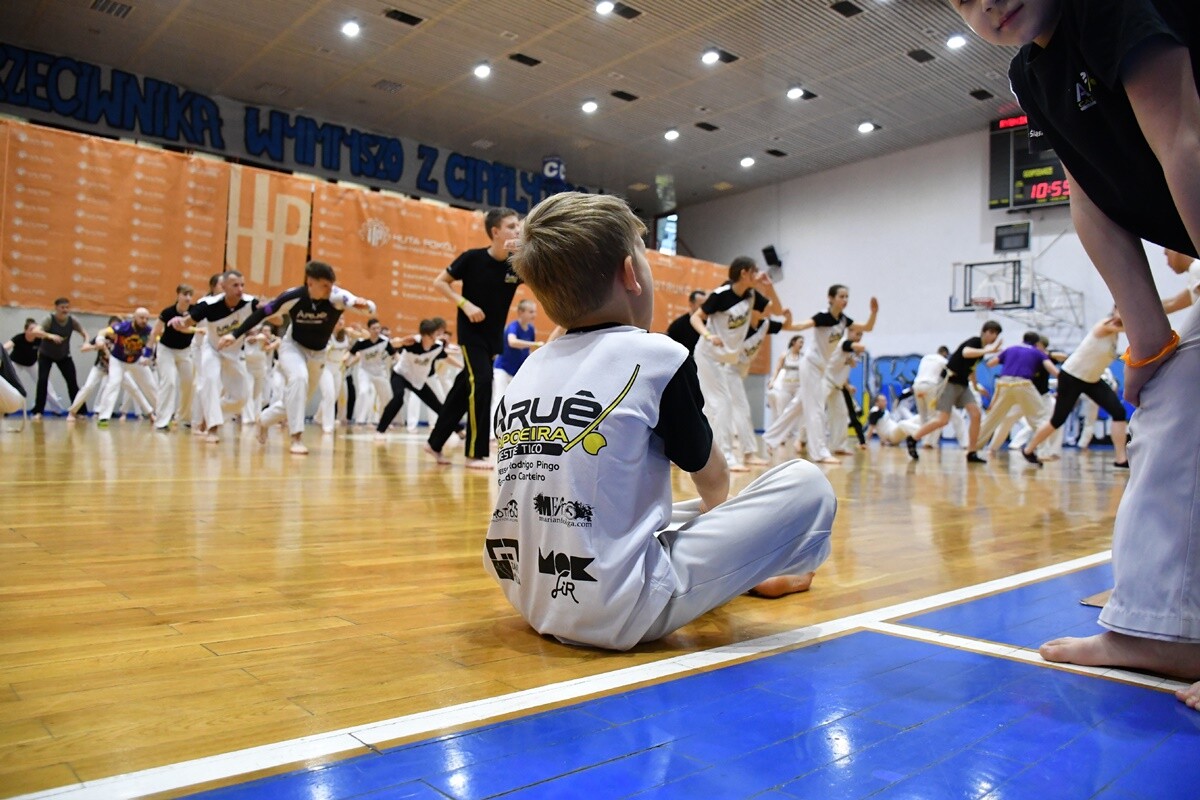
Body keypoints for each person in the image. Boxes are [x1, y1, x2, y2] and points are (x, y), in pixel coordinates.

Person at [951, 0, 1200, 699]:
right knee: (1174, 403)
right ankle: (1154, 629)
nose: (987, 4)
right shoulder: (1033, 72)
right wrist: (1148, 339)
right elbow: (1090, 197)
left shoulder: (1108, 8)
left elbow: (1183, 138)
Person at [484, 191, 836, 651]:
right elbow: (713, 481)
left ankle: (736, 562)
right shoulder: (657, 356)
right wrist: (736, 546)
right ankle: (761, 570)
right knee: (806, 485)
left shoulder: (529, 369)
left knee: (671, 513)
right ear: (631, 273)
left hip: (527, 591)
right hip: (622, 607)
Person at [226, 260, 375, 455]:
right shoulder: (293, 297)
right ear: (311, 282)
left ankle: (264, 420)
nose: (330, 289)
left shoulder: (337, 297)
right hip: (292, 347)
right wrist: (235, 334)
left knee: (297, 400)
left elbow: (365, 305)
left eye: (331, 285)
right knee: (299, 378)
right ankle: (296, 438)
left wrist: (365, 305)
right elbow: (263, 313)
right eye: (325, 286)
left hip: (319, 354)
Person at [426, 207, 523, 469]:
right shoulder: (472, 259)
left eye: (518, 226)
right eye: (512, 226)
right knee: (482, 382)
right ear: (495, 231)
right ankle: (475, 453)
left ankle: (434, 443)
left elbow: (542, 277)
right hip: (471, 335)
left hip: (492, 338)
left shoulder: (515, 265)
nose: (517, 230)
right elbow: (440, 282)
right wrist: (464, 304)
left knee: (462, 391)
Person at [761, 285, 878, 465]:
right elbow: (800, 325)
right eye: (841, 296)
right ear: (830, 298)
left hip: (820, 368)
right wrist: (788, 320)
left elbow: (867, 327)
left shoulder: (843, 320)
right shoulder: (823, 316)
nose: (845, 300)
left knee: (797, 406)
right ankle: (820, 452)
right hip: (810, 365)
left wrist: (873, 312)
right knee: (816, 409)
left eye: (847, 296)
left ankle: (770, 438)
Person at [690, 259, 780, 471]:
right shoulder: (721, 295)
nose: (758, 274)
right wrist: (709, 335)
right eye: (755, 271)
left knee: (726, 405)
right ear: (744, 273)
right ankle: (726, 457)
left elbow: (776, 310)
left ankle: (738, 453)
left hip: (724, 360)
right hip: (708, 354)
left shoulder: (751, 295)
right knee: (723, 403)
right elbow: (696, 317)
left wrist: (769, 287)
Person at [1021, 312, 1129, 467]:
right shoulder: (1103, 325)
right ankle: (1028, 450)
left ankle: (1121, 459)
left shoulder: (1114, 338)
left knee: (1119, 412)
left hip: (1092, 379)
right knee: (1057, 420)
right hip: (1071, 376)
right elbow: (1124, 325)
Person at [169, 270, 259, 444]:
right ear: (223, 287)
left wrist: (271, 309)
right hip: (212, 349)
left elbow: (275, 318)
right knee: (209, 382)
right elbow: (188, 322)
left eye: (242, 285)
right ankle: (212, 428)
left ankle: (210, 415)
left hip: (234, 354)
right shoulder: (208, 304)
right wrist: (179, 323)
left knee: (241, 398)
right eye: (235, 285)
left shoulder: (250, 302)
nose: (240, 289)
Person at [904, 321, 1003, 462]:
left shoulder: (980, 352)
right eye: (992, 332)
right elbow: (965, 353)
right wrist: (988, 351)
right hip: (949, 382)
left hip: (963, 385)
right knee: (942, 420)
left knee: (975, 414)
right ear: (984, 332)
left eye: (996, 334)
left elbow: (972, 369)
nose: (994, 337)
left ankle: (972, 451)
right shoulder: (975, 342)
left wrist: (975, 387)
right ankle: (913, 438)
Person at [971, 331, 1060, 462]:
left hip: (1003, 384)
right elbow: (1054, 371)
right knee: (1040, 418)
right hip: (1023, 384)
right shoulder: (1037, 353)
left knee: (993, 418)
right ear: (1036, 343)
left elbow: (990, 363)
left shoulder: (1010, 349)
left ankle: (973, 447)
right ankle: (1043, 452)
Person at [375, 318, 451, 440]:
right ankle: (380, 430)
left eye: (434, 336)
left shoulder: (437, 347)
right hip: (401, 375)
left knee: (436, 404)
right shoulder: (412, 343)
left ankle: (457, 429)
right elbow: (392, 344)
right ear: (423, 335)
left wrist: (463, 366)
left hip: (417, 380)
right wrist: (401, 341)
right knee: (398, 397)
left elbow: (447, 357)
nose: (433, 339)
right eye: (431, 336)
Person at [94, 308, 158, 426]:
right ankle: (103, 417)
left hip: (136, 360)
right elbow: (103, 331)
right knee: (113, 383)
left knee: (150, 385)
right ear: (134, 317)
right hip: (118, 360)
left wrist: (147, 356)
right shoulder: (123, 327)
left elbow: (154, 341)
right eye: (141, 318)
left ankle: (163, 415)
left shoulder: (148, 331)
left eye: (147, 318)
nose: (144, 321)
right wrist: (100, 339)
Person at [490, 299, 543, 432]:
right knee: (499, 399)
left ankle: (511, 431)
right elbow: (512, 342)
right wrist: (535, 344)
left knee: (516, 402)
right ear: (520, 312)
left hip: (516, 371)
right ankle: (493, 433)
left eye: (534, 312)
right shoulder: (513, 326)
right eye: (531, 312)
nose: (534, 315)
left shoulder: (530, 329)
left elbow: (528, 350)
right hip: (502, 369)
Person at [151, 284, 199, 430]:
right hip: (166, 350)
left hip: (185, 351)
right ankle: (162, 421)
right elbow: (155, 331)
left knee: (188, 384)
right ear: (178, 295)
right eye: (185, 294)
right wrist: (149, 351)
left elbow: (194, 329)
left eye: (190, 295)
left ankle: (184, 418)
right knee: (169, 382)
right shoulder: (167, 312)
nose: (188, 298)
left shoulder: (194, 312)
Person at [32, 297, 88, 418]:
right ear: (56, 308)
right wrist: (50, 335)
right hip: (46, 355)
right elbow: (36, 331)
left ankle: (79, 411)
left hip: (63, 356)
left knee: (72, 382)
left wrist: (86, 342)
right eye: (62, 307)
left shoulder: (72, 320)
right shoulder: (49, 319)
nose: (65, 310)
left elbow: (84, 332)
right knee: (42, 381)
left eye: (67, 307)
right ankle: (38, 411)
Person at [3, 319, 47, 413]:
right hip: (16, 363)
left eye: (36, 329)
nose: (34, 331)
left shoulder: (39, 340)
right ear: (25, 330)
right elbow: (6, 347)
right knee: (8, 382)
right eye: (31, 329)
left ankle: (57, 409)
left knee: (44, 382)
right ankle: (5, 409)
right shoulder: (19, 338)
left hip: (31, 364)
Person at [665, 289, 708, 354]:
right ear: (691, 304)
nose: (703, 308)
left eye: (705, 305)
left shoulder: (708, 323)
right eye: (701, 305)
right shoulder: (678, 325)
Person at [1161, 249, 1199, 314]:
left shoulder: (1196, 268)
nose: (1167, 263)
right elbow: (1172, 304)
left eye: (1167, 254)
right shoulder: (1195, 274)